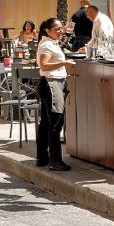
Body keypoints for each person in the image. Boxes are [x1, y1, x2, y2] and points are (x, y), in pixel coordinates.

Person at [35, 17, 71, 171]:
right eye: (57, 29)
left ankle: (42, 157)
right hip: (52, 83)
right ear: (47, 30)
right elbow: (43, 64)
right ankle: (55, 160)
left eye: (60, 28)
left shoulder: (50, 43)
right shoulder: (47, 45)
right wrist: (64, 63)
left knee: (46, 123)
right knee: (56, 123)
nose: (60, 31)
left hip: (51, 83)